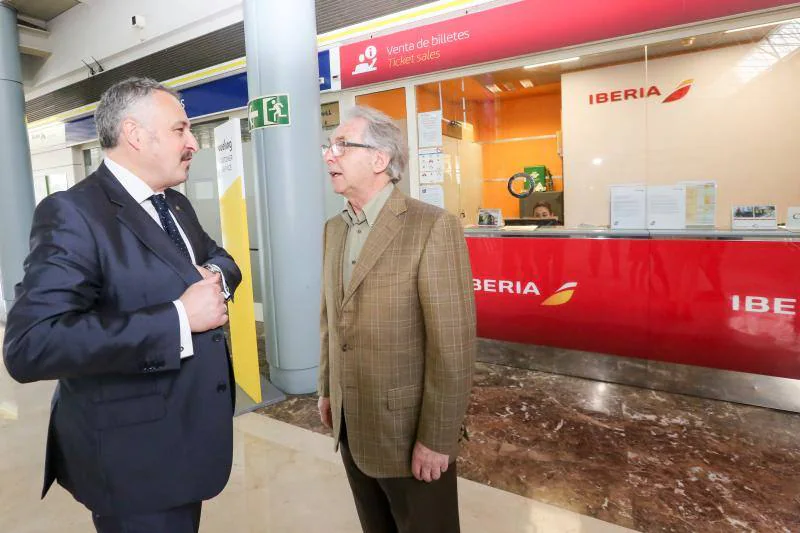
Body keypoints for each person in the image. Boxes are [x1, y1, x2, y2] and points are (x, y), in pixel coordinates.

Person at [3, 77, 241, 533]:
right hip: (136, 462)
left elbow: (219, 258)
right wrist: (179, 319)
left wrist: (214, 282)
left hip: (187, 440)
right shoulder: (73, 214)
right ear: (135, 134)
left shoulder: (174, 204)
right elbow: (31, 344)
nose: (193, 142)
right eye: (180, 130)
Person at [318, 105, 476, 533]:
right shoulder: (335, 228)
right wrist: (327, 389)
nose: (328, 156)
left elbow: (453, 346)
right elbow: (331, 320)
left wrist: (438, 438)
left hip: (407, 432)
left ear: (379, 159)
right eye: (328, 147)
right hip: (352, 423)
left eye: (340, 146)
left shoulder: (432, 227)